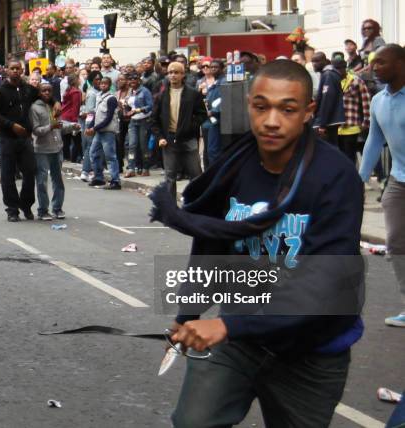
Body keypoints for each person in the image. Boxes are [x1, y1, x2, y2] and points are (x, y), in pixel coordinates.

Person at [150, 59, 364, 428]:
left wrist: (230, 327)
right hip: (239, 339)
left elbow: (326, 287)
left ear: (309, 112)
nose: (271, 121)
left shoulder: (336, 178)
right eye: (261, 106)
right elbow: (210, 243)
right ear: (248, 104)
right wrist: (187, 314)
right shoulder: (233, 165)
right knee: (192, 422)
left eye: (288, 109)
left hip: (310, 350)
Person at [359, 45, 405, 327]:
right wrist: (359, 179)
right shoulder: (378, 101)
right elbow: (374, 141)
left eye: (381, 63)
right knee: (397, 243)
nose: (375, 68)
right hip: (399, 181)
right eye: (373, 63)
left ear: (401, 64)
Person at [0, 60, 41, 222]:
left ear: (22, 70)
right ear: (7, 70)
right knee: (8, 174)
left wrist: (55, 103)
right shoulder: (0, 91)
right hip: (7, 138)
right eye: (12, 69)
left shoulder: (27, 89)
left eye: (17, 69)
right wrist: (11, 125)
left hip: (25, 138)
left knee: (30, 171)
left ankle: (26, 204)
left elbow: (43, 95)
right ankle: (12, 209)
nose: (15, 71)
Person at [151, 62, 205, 199]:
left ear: (183, 75)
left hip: (188, 139)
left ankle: (196, 204)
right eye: (170, 72)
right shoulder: (161, 96)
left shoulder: (193, 94)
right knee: (170, 177)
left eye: (176, 72)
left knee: (196, 175)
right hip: (169, 140)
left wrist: (190, 127)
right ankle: (171, 210)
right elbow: (154, 119)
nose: (173, 75)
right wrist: (160, 137)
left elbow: (202, 115)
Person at [30, 83, 79, 221]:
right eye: (43, 90)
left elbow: (60, 127)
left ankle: (57, 208)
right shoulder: (34, 108)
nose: (46, 93)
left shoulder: (54, 106)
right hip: (41, 149)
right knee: (42, 181)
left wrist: (72, 127)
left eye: (49, 91)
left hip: (57, 148)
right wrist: (51, 126)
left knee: (58, 180)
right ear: (39, 93)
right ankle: (43, 210)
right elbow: (36, 130)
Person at [333, 58, 370, 164]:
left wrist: (366, 121)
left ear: (345, 68)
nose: (338, 71)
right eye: (336, 69)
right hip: (336, 127)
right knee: (338, 159)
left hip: (351, 126)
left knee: (349, 158)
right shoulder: (333, 81)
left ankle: (351, 179)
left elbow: (366, 100)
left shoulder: (356, 81)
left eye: (340, 68)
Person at [86, 77, 121, 190]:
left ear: (109, 85)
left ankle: (115, 180)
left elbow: (108, 118)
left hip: (107, 131)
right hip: (99, 131)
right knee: (93, 153)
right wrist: (90, 126)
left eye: (105, 84)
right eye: (101, 83)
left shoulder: (111, 99)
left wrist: (94, 128)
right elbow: (96, 115)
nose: (103, 85)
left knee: (110, 156)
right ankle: (99, 177)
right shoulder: (99, 97)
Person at [311, 52, 345, 145]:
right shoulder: (328, 74)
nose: (314, 64)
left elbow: (327, 100)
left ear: (325, 61)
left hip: (328, 122)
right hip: (330, 121)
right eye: (312, 61)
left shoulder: (328, 75)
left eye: (317, 61)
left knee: (325, 150)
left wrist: (322, 124)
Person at [123, 72, 153, 177]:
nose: (132, 81)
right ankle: (131, 168)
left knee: (143, 145)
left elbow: (150, 106)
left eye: (134, 79)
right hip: (133, 121)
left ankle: (145, 167)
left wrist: (138, 110)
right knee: (132, 144)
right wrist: (125, 109)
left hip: (144, 120)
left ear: (139, 80)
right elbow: (128, 105)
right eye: (130, 80)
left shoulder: (145, 91)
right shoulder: (130, 92)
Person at [79, 71, 102, 182]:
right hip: (91, 122)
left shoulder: (99, 92)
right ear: (91, 81)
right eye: (96, 79)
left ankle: (93, 170)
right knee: (90, 147)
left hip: (98, 122)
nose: (99, 81)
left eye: (100, 79)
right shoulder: (92, 93)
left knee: (95, 148)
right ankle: (85, 171)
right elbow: (90, 110)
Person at [61, 73, 82, 162]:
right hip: (71, 118)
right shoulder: (76, 92)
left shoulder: (67, 90)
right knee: (77, 141)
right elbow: (75, 106)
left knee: (66, 140)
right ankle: (76, 158)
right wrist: (75, 121)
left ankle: (66, 158)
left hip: (64, 116)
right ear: (76, 81)